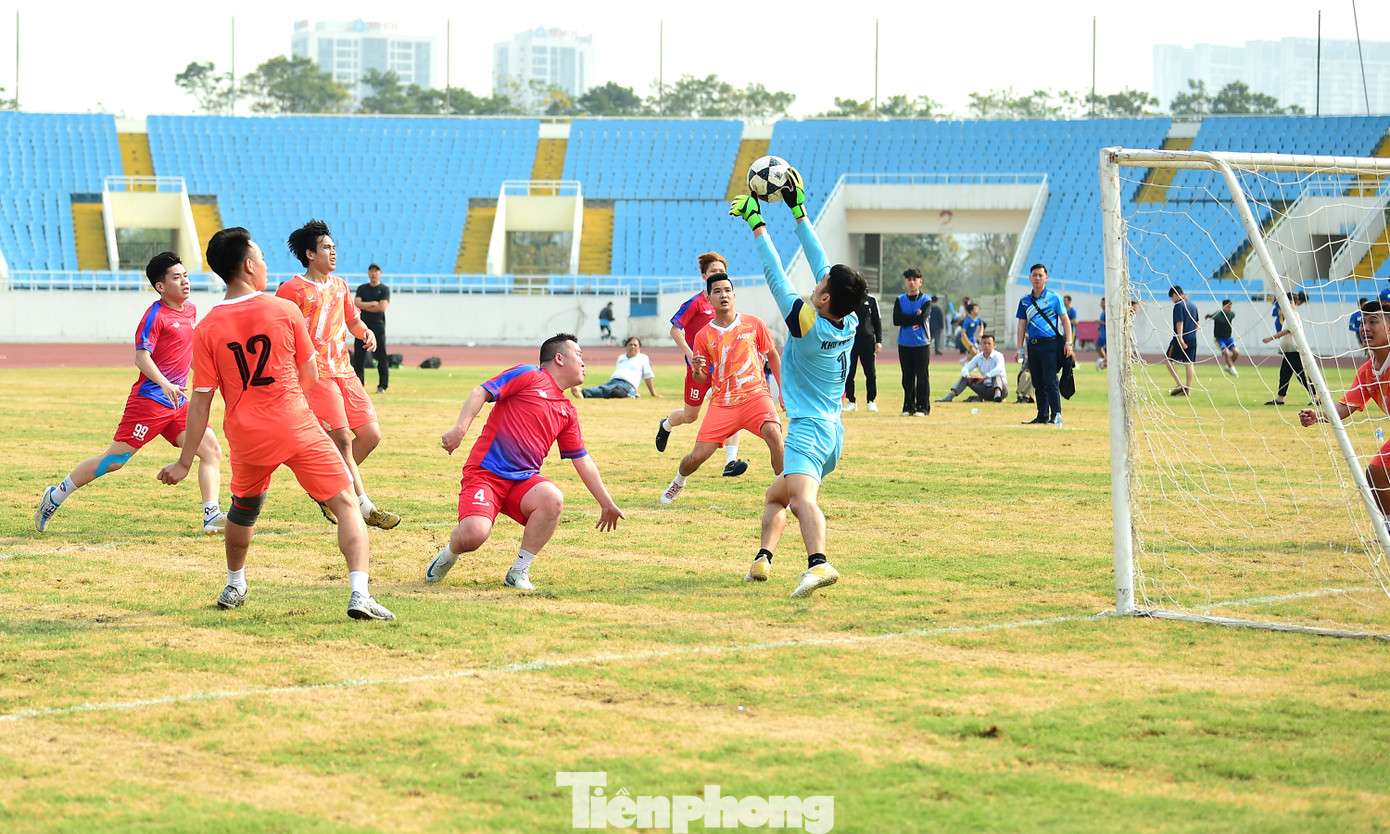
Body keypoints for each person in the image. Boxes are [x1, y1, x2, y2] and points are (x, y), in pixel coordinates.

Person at [158, 227, 394, 620]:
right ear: (249, 266)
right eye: (262, 257)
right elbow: (310, 374)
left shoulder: (208, 327)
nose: (266, 264)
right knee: (346, 502)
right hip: (295, 424)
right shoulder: (284, 310)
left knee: (243, 512)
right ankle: (359, 594)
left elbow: (200, 402)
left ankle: (235, 583)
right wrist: (287, 401)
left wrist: (185, 462)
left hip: (246, 435)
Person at [730, 167, 867, 598]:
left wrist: (757, 224)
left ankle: (819, 564)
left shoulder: (807, 323)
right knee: (776, 497)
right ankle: (762, 559)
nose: (818, 277)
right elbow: (823, 263)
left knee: (803, 500)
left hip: (808, 429)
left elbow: (776, 275)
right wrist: (799, 211)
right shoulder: (848, 318)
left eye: (822, 282)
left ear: (825, 298)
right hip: (832, 433)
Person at [35, 252, 227, 535]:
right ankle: (55, 496)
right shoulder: (154, 316)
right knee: (114, 462)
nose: (185, 281)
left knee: (211, 451)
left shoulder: (190, 310)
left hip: (179, 403)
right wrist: (165, 384)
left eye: (185, 276)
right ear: (160, 286)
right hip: (150, 402)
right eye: (177, 277)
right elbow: (141, 357)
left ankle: (211, 515)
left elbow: (186, 353)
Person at [426, 334, 625, 590]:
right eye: (579, 355)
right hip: (486, 474)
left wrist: (607, 504)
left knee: (552, 498)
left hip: (522, 482)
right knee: (474, 535)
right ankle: (449, 554)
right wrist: (460, 430)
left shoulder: (567, 410)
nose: (584, 362)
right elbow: (481, 392)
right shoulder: (529, 375)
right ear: (559, 358)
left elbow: (582, 460)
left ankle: (518, 572)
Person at [278, 220, 400, 530]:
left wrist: (366, 332)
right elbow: (279, 331)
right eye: (327, 248)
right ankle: (364, 506)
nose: (333, 252)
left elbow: (353, 321)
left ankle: (326, 488)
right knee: (343, 440)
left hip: (345, 371)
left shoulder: (340, 286)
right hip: (316, 374)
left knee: (371, 436)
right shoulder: (291, 290)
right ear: (310, 254)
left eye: (334, 247)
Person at [660, 272, 783, 504]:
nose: (723, 295)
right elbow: (700, 379)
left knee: (775, 435)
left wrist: (782, 390)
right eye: (717, 291)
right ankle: (678, 481)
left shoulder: (754, 323)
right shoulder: (703, 336)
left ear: (734, 295)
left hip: (756, 396)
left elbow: (773, 356)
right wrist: (697, 369)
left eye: (727, 290)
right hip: (723, 403)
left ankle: (783, 491)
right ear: (709, 298)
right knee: (696, 458)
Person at [1299, 299, 1390, 524]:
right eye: (1363, 323)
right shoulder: (1367, 372)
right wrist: (1318, 416)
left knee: (1377, 472)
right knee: (1376, 473)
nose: (1365, 328)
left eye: (1373, 322)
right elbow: (1345, 407)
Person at [655, 253, 746, 477]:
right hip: (699, 369)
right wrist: (689, 354)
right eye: (714, 271)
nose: (718, 274)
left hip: (723, 369)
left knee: (731, 408)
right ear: (704, 276)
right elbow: (675, 329)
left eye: (722, 271)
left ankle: (731, 461)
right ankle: (666, 425)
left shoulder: (726, 302)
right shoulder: (696, 303)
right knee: (690, 416)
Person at [1015, 263, 1073, 425]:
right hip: (1033, 345)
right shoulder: (1025, 301)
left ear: (1046, 278)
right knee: (1037, 381)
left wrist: (1069, 342)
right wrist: (1019, 348)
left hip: (1050, 345)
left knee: (1050, 380)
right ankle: (1042, 415)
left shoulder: (1054, 298)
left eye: (1040, 275)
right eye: (1034, 275)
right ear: (1029, 278)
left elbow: (1065, 320)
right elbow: (1021, 325)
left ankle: (1056, 414)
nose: (1037, 278)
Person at [1262, 291, 1314, 406]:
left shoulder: (1293, 316)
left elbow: (1286, 331)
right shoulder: (1288, 316)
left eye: (1291, 302)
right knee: (1284, 374)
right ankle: (1280, 398)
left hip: (1294, 350)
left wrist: (1270, 338)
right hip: (1288, 350)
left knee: (1301, 374)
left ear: (1295, 303)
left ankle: (1315, 396)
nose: (1288, 304)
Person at [893, 268, 931, 416]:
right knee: (907, 377)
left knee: (922, 376)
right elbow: (897, 320)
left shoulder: (925, 300)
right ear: (905, 282)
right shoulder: (900, 299)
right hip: (904, 343)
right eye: (909, 280)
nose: (912, 283)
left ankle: (923, 407)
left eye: (915, 280)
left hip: (921, 343)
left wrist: (907, 318)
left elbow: (922, 319)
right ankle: (908, 406)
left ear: (920, 282)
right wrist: (914, 317)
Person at [573, 336, 658, 398]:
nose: (632, 347)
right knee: (606, 388)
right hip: (614, 381)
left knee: (612, 390)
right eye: (630, 344)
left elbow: (648, 377)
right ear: (626, 347)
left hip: (627, 385)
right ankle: (584, 392)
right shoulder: (622, 357)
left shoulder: (643, 358)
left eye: (635, 345)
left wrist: (653, 394)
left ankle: (583, 392)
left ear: (639, 347)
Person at [352, 263, 390, 394]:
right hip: (362, 326)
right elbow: (357, 304)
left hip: (378, 327)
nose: (373, 274)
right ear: (368, 273)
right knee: (358, 357)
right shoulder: (362, 288)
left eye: (376, 271)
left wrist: (365, 306)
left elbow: (382, 307)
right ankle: (359, 385)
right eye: (371, 271)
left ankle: (382, 385)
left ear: (380, 274)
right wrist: (373, 304)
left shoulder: (384, 289)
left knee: (381, 357)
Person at [938, 334, 1009, 402]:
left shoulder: (998, 356)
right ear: (981, 344)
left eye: (989, 343)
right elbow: (965, 368)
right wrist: (968, 376)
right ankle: (950, 396)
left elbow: (999, 369)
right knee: (965, 378)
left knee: (996, 375)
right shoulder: (979, 357)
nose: (986, 345)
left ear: (994, 345)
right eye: (984, 343)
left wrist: (984, 377)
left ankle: (997, 395)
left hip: (1002, 389)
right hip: (986, 388)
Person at [843, 291, 881, 412]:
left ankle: (871, 401)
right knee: (849, 372)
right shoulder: (848, 299)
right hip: (850, 339)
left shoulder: (871, 301)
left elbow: (876, 320)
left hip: (867, 340)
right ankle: (851, 401)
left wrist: (878, 340)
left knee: (870, 372)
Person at [1164, 285, 1198, 396]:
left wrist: (1180, 338)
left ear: (1175, 295)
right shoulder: (1193, 305)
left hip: (1181, 337)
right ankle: (1188, 390)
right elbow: (1197, 323)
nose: (1172, 300)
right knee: (1189, 363)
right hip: (1192, 337)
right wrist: (1192, 334)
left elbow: (1180, 322)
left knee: (1168, 359)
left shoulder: (1179, 305)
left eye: (1171, 298)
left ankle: (1179, 384)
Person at [1205, 298, 1241, 376]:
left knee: (1236, 352)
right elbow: (1211, 316)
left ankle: (1228, 366)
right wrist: (1207, 316)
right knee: (1227, 353)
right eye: (1228, 307)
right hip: (1219, 339)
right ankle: (1233, 370)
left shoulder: (1232, 314)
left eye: (1230, 307)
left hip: (1229, 338)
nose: (1229, 309)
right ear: (1223, 307)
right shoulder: (1218, 315)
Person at [1095, 296, 1109, 371]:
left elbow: (1108, 324)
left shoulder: (1107, 313)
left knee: (1107, 351)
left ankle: (1105, 362)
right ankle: (1105, 360)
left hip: (1106, 335)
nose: (1102, 304)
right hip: (1101, 335)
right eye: (1102, 302)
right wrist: (1099, 327)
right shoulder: (1103, 312)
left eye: (1104, 302)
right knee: (1098, 348)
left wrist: (1099, 322)